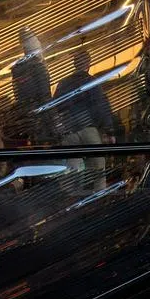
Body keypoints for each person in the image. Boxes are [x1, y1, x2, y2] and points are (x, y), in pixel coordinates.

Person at [54, 49, 116, 193]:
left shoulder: (63, 84)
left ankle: (71, 199)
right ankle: (99, 197)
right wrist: (109, 131)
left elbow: (56, 107)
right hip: (88, 130)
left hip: (69, 132)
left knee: (72, 171)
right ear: (88, 63)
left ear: (74, 64)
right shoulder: (92, 82)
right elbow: (101, 107)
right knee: (98, 168)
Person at [10, 29, 54, 142]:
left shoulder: (17, 69)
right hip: (40, 115)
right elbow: (45, 95)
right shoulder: (38, 67)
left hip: (26, 114)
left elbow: (17, 94)